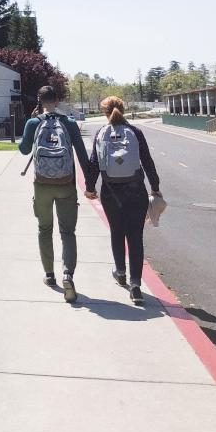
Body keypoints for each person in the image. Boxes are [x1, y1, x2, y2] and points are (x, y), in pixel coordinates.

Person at [19, 85, 96, 302]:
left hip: (42, 185)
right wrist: (90, 185)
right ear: (57, 100)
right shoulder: (69, 123)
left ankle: (50, 275)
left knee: (44, 229)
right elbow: (82, 155)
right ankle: (67, 274)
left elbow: (24, 150)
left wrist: (31, 122)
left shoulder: (34, 123)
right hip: (66, 184)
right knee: (67, 232)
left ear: (40, 101)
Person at [85, 96, 162, 305]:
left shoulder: (101, 133)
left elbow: (94, 163)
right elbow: (147, 161)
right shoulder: (135, 133)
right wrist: (155, 187)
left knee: (117, 232)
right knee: (135, 236)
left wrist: (90, 188)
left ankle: (120, 272)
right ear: (123, 109)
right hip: (136, 191)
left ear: (105, 112)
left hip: (111, 192)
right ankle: (136, 285)